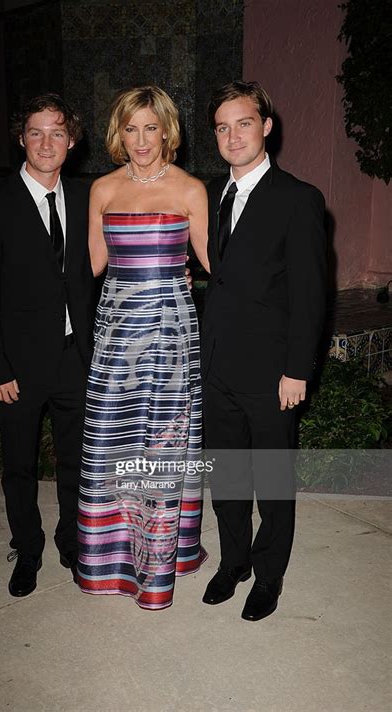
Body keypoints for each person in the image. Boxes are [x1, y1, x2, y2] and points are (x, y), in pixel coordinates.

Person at [76, 84, 210, 610]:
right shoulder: (103, 190)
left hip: (172, 340)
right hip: (116, 335)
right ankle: (110, 558)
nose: (140, 139)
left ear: (166, 131)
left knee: (163, 445)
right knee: (114, 437)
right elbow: (86, 270)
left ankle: (162, 562)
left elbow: (216, 267)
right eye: (130, 128)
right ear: (118, 132)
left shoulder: (191, 190)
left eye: (150, 127)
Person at [201, 81, 327, 620]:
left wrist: (297, 371)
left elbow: (310, 295)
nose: (233, 136)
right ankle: (234, 562)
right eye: (223, 127)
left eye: (243, 122)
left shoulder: (299, 199)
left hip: (273, 373)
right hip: (215, 368)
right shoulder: (208, 194)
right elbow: (218, 274)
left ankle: (268, 576)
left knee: (273, 482)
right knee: (227, 478)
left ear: (267, 126)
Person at [0, 93, 95, 597]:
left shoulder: (87, 198)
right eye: (36, 132)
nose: (47, 143)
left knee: (74, 459)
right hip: (16, 364)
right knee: (19, 464)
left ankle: (70, 541)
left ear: (71, 141)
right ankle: (29, 548)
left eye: (58, 133)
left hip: (75, 357)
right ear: (22, 138)